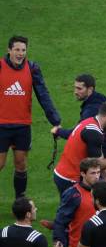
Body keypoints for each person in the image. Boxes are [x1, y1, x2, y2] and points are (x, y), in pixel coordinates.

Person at [0, 36, 62, 200]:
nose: (20, 53)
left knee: (21, 164)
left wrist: (55, 119)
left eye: (23, 50)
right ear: (9, 50)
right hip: (1, 125)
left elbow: (43, 94)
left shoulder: (32, 68)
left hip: (22, 126)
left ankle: (20, 201)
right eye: (17, 50)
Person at [54, 74, 106, 196]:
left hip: (69, 173)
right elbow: (98, 163)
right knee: (80, 211)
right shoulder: (94, 133)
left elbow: (98, 159)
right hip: (70, 178)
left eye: (79, 88)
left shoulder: (92, 122)